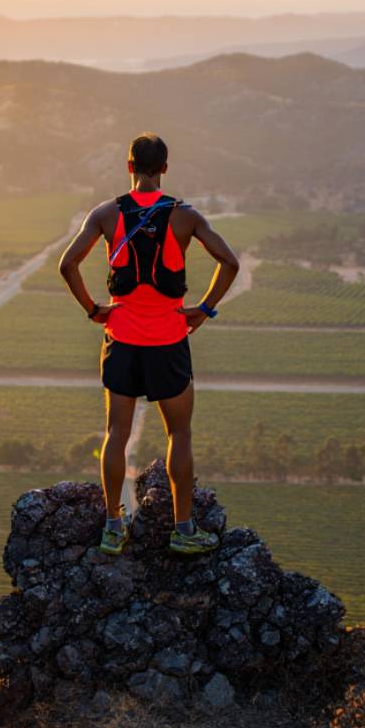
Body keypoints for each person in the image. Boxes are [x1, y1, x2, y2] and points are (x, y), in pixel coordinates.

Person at [58, 132, 239, 556]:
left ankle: (112, 528)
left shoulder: (105, 214)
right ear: (165, 168)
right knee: (179, 433)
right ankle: (184, 529)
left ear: (128, 166)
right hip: (169, 341)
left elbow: (68, 264)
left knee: (115, 435)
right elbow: (229, 263)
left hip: (120, 340)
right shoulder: (184, 217)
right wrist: (204, 309)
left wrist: (93, 309)